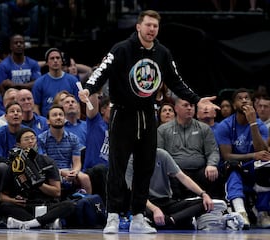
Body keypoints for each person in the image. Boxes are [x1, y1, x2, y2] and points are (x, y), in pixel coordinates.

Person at [78, 9, 219, 234]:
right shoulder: (121, 49)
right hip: (123, 115)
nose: (152, 29)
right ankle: (113, 216)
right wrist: (88, 89)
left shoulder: (162, 53)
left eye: (155, 26)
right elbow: (101, 71)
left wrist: (197, 99)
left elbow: (176, 81)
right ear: (138, 27)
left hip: (147, 115)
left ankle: (137, 217)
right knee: (117, 166)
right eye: (148, 25)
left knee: (145, 167)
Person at [0, 128, 75, 229]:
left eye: (33, 138)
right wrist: (13, 200)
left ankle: (28, 224)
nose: (30, 141)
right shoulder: (15, 166)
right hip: (26, 205)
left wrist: (38, 184)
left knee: (70, 205)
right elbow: (2, 197)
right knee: (4, 206)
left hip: (47, 205)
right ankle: (46, 222)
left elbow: (57, 192)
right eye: (26, 139)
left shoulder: (48, 162)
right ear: (18, 145)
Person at [215, 88, 270, 229]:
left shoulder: (259, 125)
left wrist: (252, 124)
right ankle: (240, 212)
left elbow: (262, 151)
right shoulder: (225, 126)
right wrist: (252, 155)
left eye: (247, 98)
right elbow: (226, 156)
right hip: (232, 167)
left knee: (266, 162)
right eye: (240, 98)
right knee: (233, 166)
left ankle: (263, 212)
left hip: (253, 167)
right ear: (234, 105)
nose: (244, 100)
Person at [125, 148, 214, 230]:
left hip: (166, 202)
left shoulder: (162, 154)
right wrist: (155, 209)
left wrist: (203, 194)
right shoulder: (131, 160)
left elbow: (183, 177)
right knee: (139, 210)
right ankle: (179, 220)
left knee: (203, 203)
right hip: (146, 203)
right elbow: (134, 192)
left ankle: (170, 220)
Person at [157, 97, 221, 200]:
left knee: (213, 172)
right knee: (168, 176)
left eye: (192, 106)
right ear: (176, 108)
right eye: (185, 105)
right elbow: (159, 154)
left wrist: (212, 164)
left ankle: (215, 207)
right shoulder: (163, 130)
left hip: (200, 170)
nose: (189, 108)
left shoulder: (204, 128)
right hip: (175, 171)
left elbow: (213, 151)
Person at [37, 104, 92, 196]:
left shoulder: (73, 138)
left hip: (69, 170)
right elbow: (45, 164)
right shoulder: (41, 139)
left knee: (85, 178)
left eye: (60, 115)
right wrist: (62, 173)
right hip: (50, 171)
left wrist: (74, 172)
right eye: (54, 115)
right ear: (48, 121)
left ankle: (88, 203)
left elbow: (77, 162)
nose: (58, 117)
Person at [32, 48, 79, 117]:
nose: (55, 60)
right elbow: (35, 106)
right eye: (52, 58)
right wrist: (40, 125)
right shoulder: (39, 82)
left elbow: (77, 104)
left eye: (58, 58)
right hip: (47, 124)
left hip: (69, 122)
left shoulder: (73, 81)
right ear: (47, 62)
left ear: (62, 61)